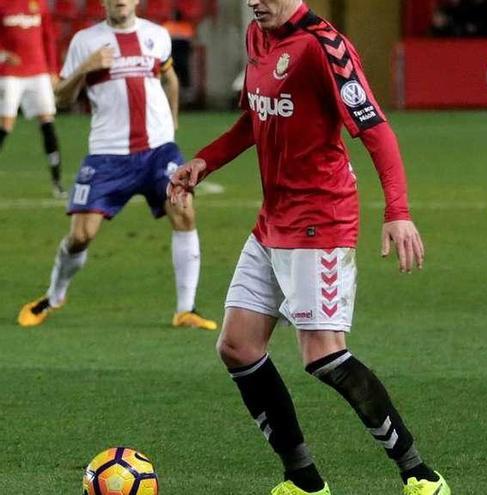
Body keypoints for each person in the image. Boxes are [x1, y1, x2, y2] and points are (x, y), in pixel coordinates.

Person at [166, 1, 450, 494]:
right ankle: (303, 480)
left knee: (323, 355)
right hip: (272, 221)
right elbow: (254, 121)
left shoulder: (326, 47)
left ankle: (420, 474)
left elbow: (376, 130)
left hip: (321, 221)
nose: (256, 0)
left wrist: (398, 211)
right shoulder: (258, 36)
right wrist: (205, 161)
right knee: (237, 346)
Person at [17, 0, 216, 331]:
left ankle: (186, 310)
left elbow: (170, 79)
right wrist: (85, 68)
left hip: (158, 151)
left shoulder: (156, 36)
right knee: (80, 236)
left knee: (184, 211)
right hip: (108, 154)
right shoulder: (85, 41)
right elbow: (61, 99)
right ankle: (53, 296)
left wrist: (172, 120)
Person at [0, 0, 66, 197]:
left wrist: (53, 69)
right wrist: (2, 55)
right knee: (5, 126)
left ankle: (57, 182)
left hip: (39, 72)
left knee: (48, 124)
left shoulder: (39, 4)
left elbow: (48, 38)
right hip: (10, 73)